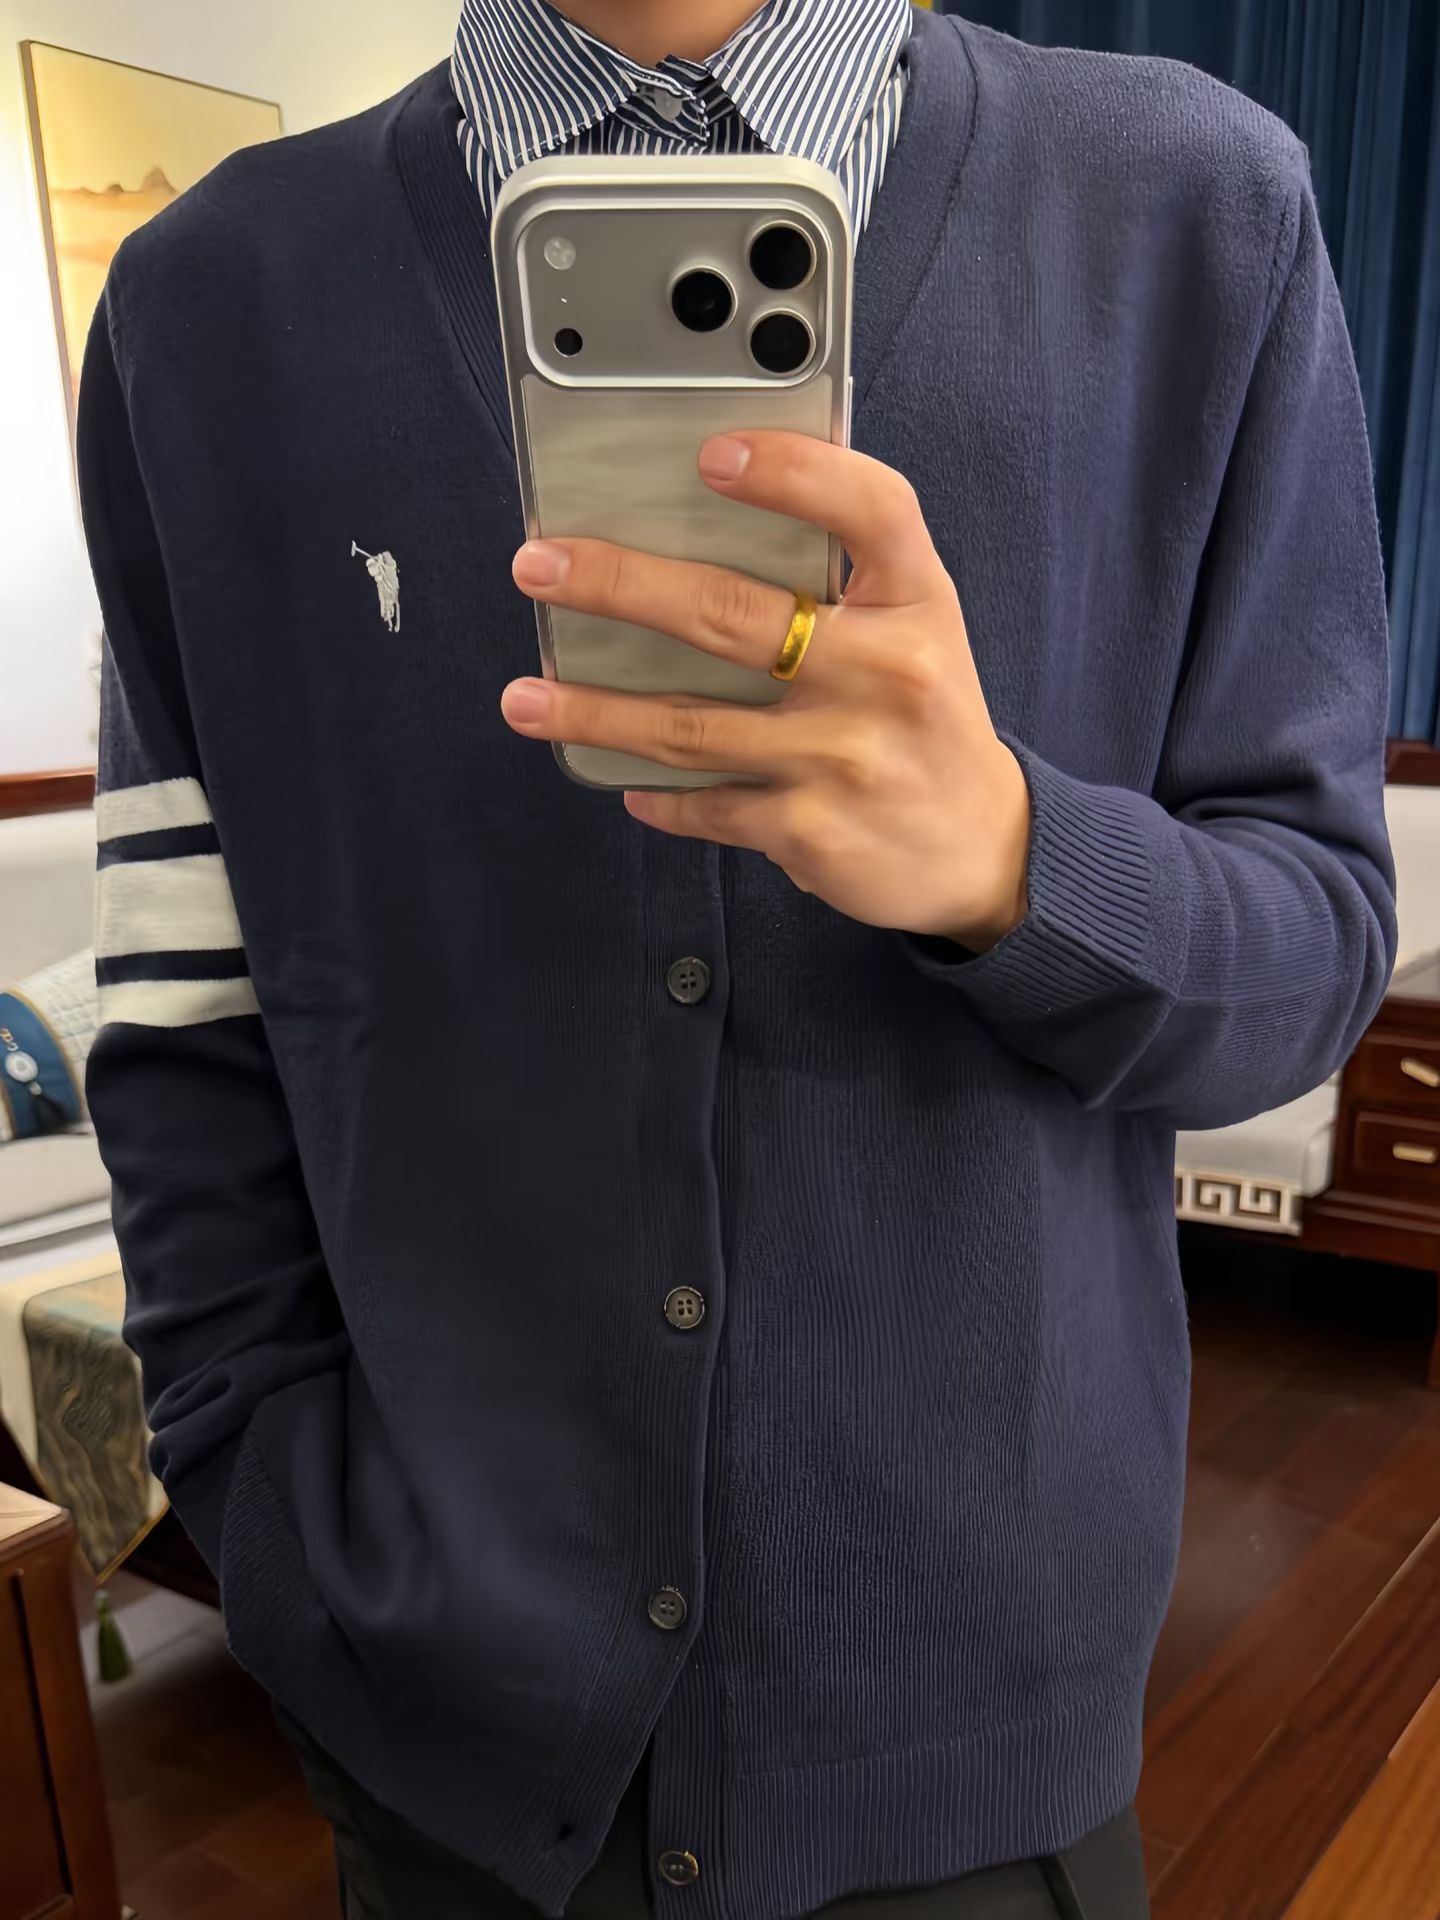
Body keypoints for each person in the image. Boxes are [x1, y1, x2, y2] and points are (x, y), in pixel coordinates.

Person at [78, 0, 1396, 1915]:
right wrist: (268, 1505)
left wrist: (1017, 863)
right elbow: (184, 999)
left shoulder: (1197, 212)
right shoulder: (209, 303)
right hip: (436, 1750)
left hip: (985, 1739)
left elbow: (1316, 952)